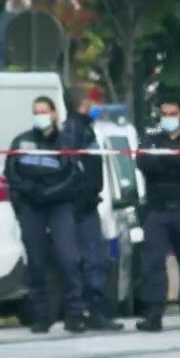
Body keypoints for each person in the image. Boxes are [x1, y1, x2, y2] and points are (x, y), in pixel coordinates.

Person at [6, 96, 86, 333]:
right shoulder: (22, 141)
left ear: (53, 113)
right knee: (36, 261)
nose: (40, 116)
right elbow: (11, 172)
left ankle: (74, 314)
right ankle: (41, 315)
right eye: (36, 111)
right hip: (32, 206)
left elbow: (74, 176)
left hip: (59, 204)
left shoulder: (66, 142)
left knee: (68, 258)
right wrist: (26, 192)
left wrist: (51, 192)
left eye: (44, 111)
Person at [135, 97, 180, 332]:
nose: (168, 119)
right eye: (164, 114)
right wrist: (173, 160)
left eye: (172, 114)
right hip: (157, 210)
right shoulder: (151, 139)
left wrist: (163, 160)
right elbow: (144, 164)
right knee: (153, 263)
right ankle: (153, 314)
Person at [63, 88, 123, 331]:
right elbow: (73, 167)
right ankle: (87, 311)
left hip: (85, 203)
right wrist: (82, 194)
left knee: (92, 260)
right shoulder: (75, 131)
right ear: (84, 104)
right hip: (81, 205)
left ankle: (88, 311)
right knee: (91, 260)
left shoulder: (83, 129)